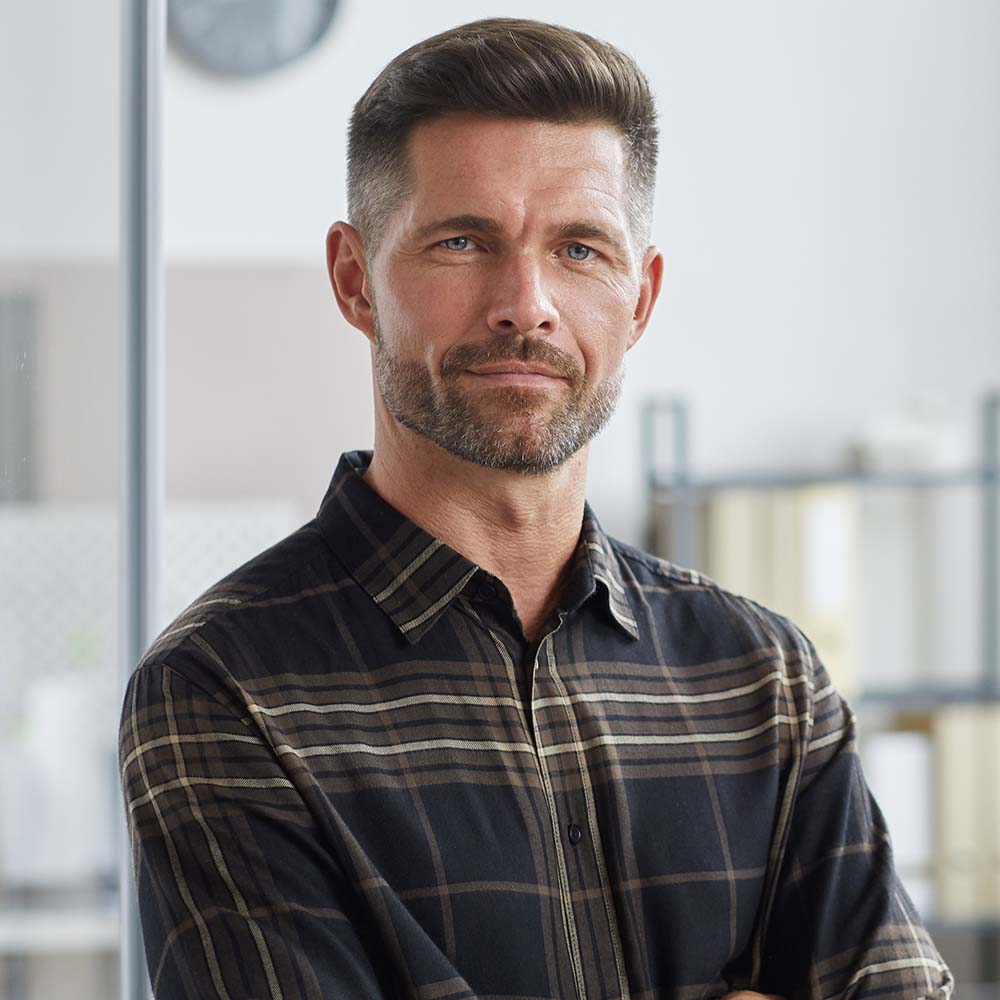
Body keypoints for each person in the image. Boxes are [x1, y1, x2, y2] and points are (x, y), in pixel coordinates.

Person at [119, 17, 953, 1000]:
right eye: (462, 240)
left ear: (638, 299)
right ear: (356, 281)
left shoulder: (764, 679)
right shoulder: (226, 688)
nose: (525, 303)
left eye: (579, 248)